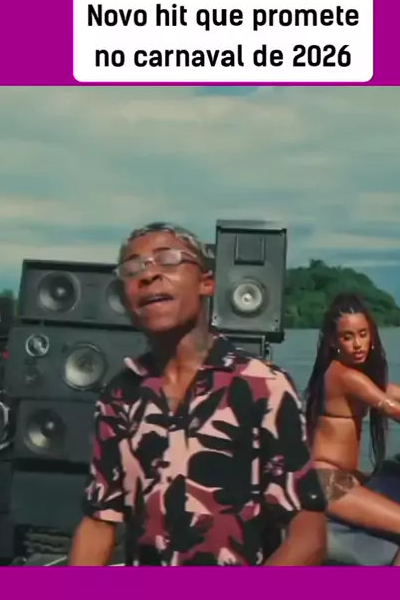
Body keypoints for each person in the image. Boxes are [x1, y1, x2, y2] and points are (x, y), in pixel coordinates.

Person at [69, 222, 327, 566]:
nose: (148, 275)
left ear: (206, 283)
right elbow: (100, 521)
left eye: (168, 260)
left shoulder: (263, 386)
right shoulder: (119, 395)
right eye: (132, 269)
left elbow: (308, 534)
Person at [304, 292, 400, 566]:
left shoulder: (349, 375)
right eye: (347, 337)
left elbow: (384, 390)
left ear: (372, 334)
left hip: (340, 477)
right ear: (333, 341)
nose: (358, 344)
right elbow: (396, 410)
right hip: (327, 480)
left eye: (363, 334)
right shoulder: (344, 375)